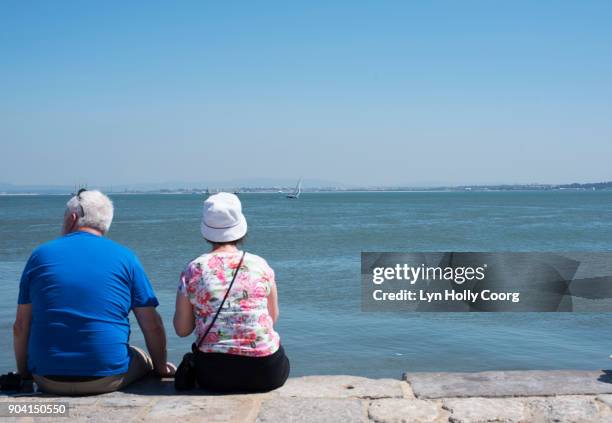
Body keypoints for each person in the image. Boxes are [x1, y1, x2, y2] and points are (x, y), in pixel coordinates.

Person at [13, 189, 175, 395]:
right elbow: (152, 325)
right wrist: (161, 368)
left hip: (47, 378)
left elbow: (20, 326)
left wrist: (25, 373)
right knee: (141, 356)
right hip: (107, 378)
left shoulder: (39, 256)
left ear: (72, 218)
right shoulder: (126, 258)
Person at [174, 192, 290, 392]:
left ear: (206, 232)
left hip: (214, 375)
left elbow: (182, 330)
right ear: (240, 229)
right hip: (267, 373)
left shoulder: (194, 269)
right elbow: (272, 318)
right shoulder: (260, 265)